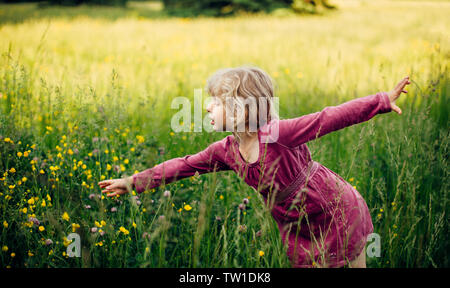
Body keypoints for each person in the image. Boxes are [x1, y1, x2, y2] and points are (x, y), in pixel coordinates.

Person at [99, 66, 410, 268]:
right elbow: (184, 165)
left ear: (241, 109)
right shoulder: (225, 150)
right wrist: (133, 182)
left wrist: (381, 100)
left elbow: (328, 118)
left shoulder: (278, 134)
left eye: (216, 102)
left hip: (335, 208)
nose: (206, 106)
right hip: (296, 223)